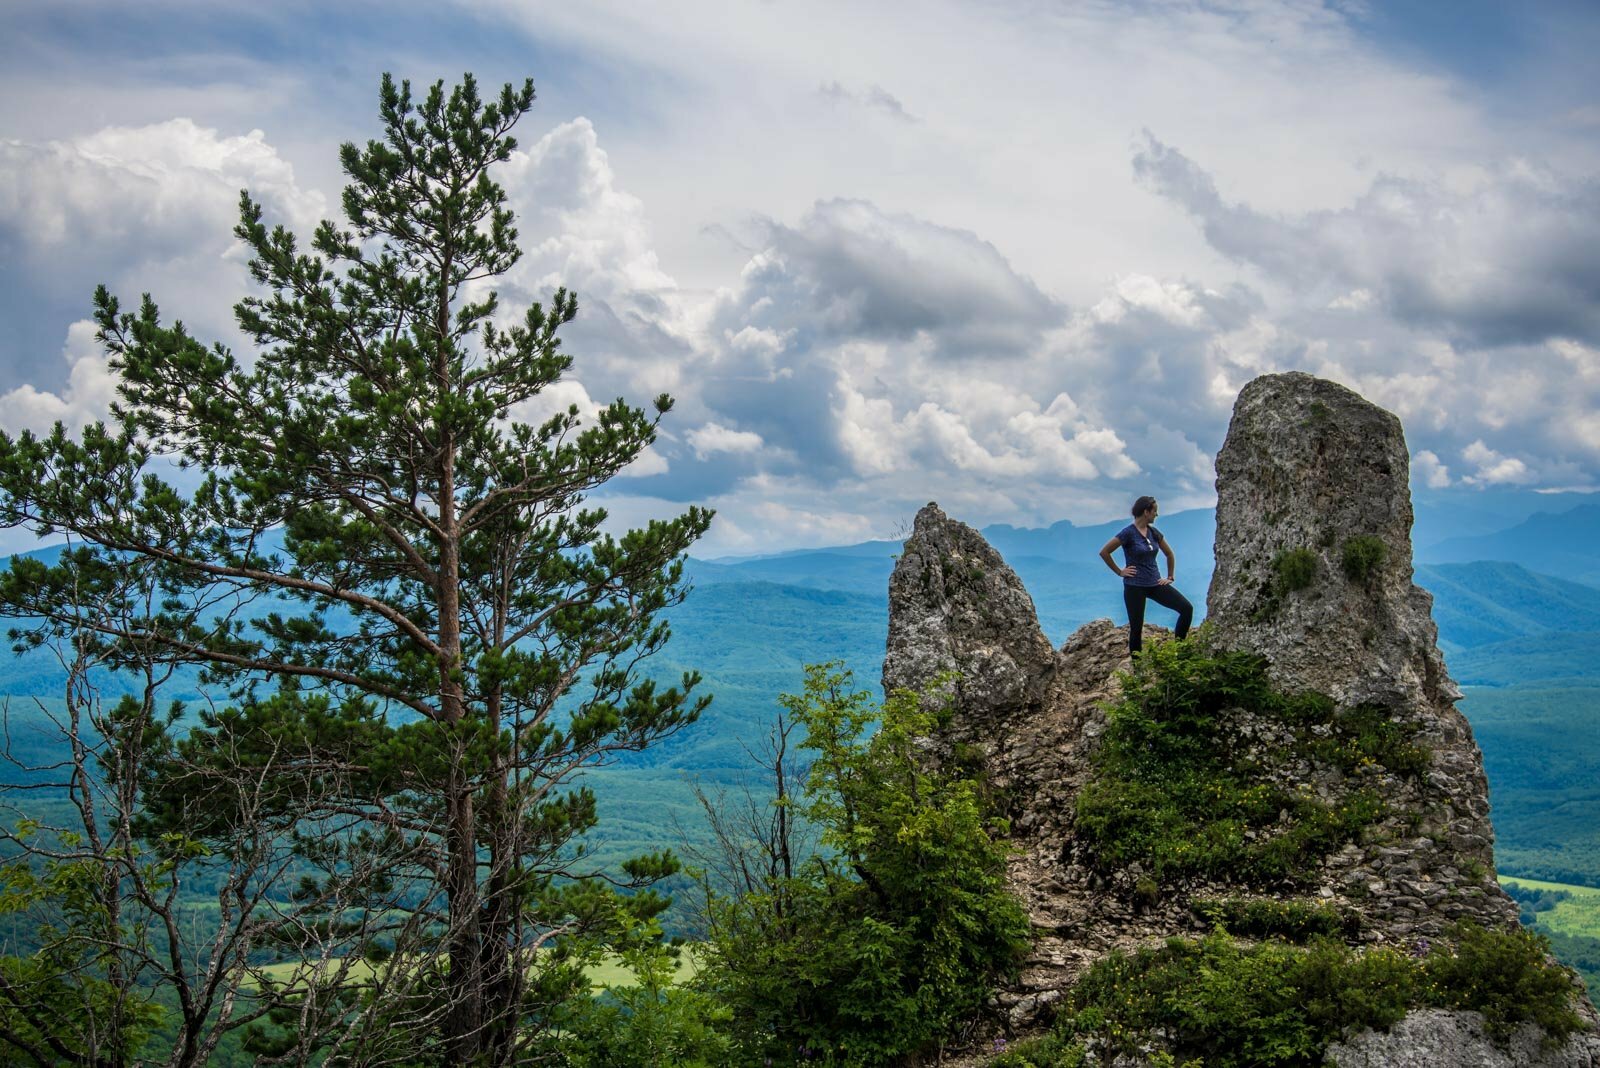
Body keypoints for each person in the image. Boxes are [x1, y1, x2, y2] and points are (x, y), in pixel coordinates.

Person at [1098, 495, 1193, 656]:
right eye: (1154, 511)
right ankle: (1138, 669)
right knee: (1136, 628)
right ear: (1146, 512)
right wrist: (1120, 571)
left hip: (1155, 584)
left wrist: (1170, 577)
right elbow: (1104, 552)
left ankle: (1181, 652)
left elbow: (1169, 554)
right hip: (1134, 586)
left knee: (1186, 608)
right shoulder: (1128, 533)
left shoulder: (1154, 533)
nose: (1156, 514)